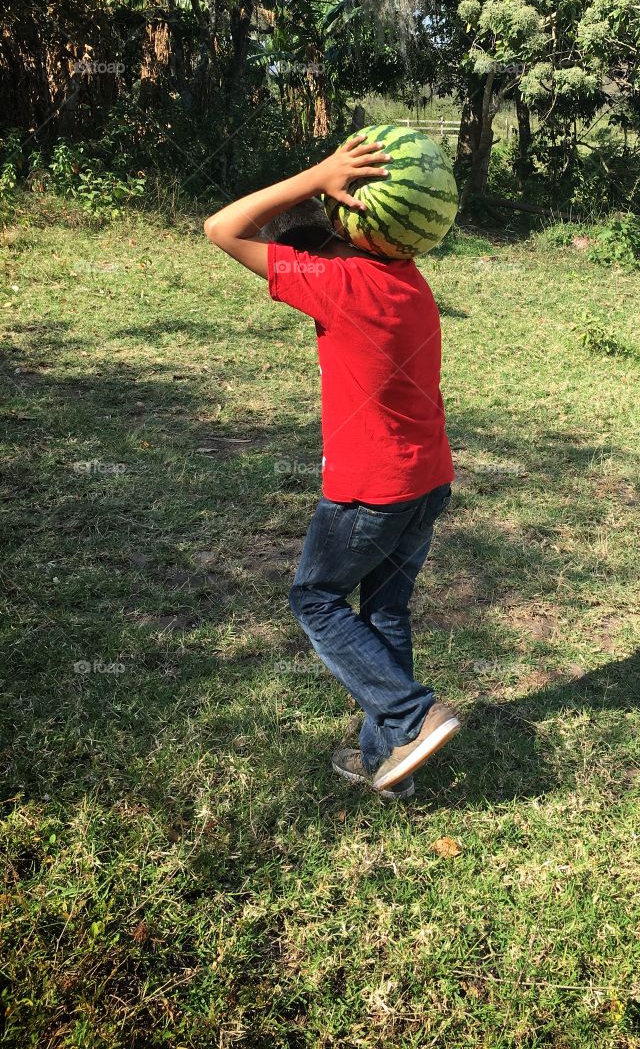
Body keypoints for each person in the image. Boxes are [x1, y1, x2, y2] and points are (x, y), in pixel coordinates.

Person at [203, 134, 460, 800]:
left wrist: (317, 175)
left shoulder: (339, 284)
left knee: (314, 599)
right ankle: (390, 760)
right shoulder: (409, 279)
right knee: (384, 615)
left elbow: (223, 227)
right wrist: (334, 194)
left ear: (350, 223)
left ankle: (412, 715)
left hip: (370, 492)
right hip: (426, 483)